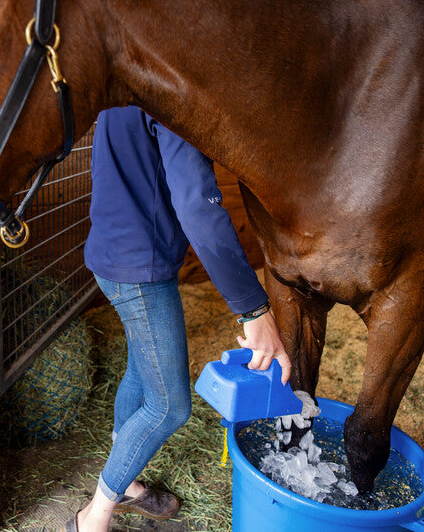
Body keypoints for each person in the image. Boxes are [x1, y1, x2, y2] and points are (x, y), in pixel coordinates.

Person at [67, 107, 290, 532]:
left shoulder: (126, 85)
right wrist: (253, 309)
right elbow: (198, 206)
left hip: (112, 254)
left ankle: (127, 482)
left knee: (141, 363)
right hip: (139, 270)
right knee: (170, 406)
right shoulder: (169, 95)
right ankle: (92, 518)